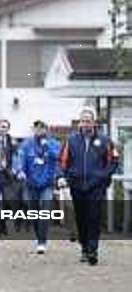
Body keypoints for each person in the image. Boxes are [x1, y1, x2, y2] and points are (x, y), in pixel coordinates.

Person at [59, 108, 119, 265]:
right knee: (81, 219)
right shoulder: (71, 140)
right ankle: (84, 247)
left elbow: (113, 161)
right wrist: (62, 177)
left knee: (94, 218)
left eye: (89, 120)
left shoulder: (105, 141)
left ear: (94, 123)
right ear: (80, 123)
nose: (86, 124)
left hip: (96, 187)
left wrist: (103, 176)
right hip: (77, 186)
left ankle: (93, 250)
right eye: (83, 120)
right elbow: (63, 162)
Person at [16, 120, 61, 254]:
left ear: (47, 130)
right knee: (34, 213)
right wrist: (20, 171)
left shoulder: (54, 144)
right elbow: (20, 160)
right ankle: (39, 237)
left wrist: (47, 147)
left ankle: (42, 242)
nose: (39, 131)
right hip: (31, 184)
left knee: (45, 211)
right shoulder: (26, 145)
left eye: (42, 129)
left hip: (47, 184)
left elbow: (58, 158)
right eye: (36, 129)